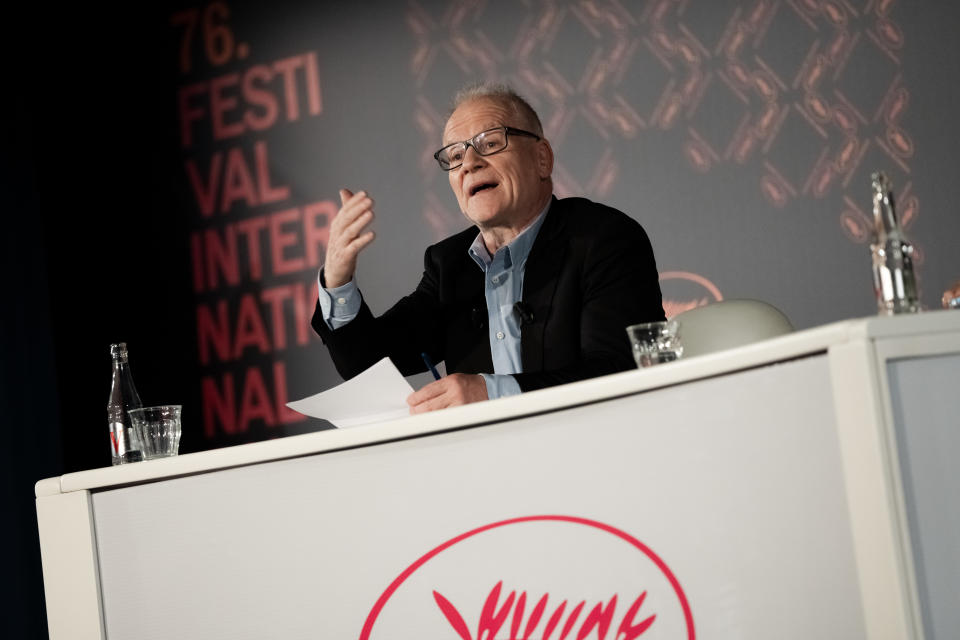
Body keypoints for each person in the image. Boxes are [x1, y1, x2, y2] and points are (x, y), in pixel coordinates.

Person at [312, 82, 665, 414]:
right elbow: (369, 364)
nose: (469, 163)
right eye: (454, 155)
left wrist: (490, 393)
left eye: (491, 143)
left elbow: (619, 374)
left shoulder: (603, 239)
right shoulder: (450, 265)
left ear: (542, 159)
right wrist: (338, 280)